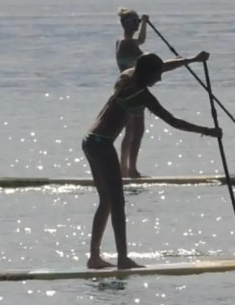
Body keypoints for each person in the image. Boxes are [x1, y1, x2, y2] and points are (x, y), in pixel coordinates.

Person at [84, 51, 220, 269]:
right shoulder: (141, 94)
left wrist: (191, 60)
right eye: (156, 76)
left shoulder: (127, 76)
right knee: (117, 201)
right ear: (146, 73)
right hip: (102, 143)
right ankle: (123, 259)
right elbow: (173, 121)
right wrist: (207, 131)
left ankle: (94, 258)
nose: (159, 79)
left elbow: (163, 66)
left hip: (90, 140)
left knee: (106, 201)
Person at [115, 7, 149, 177]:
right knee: (137, 130)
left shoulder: (121, 41)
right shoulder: (128, 44)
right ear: (126, 24)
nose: (136, 24)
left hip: (123, 91)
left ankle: (123, 169)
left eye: (137, 21)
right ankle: (132, 169)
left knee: (130, 131)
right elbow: (147, 61)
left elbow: (141, 40)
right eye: (135, 21)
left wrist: (144, 23)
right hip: (134, 91)